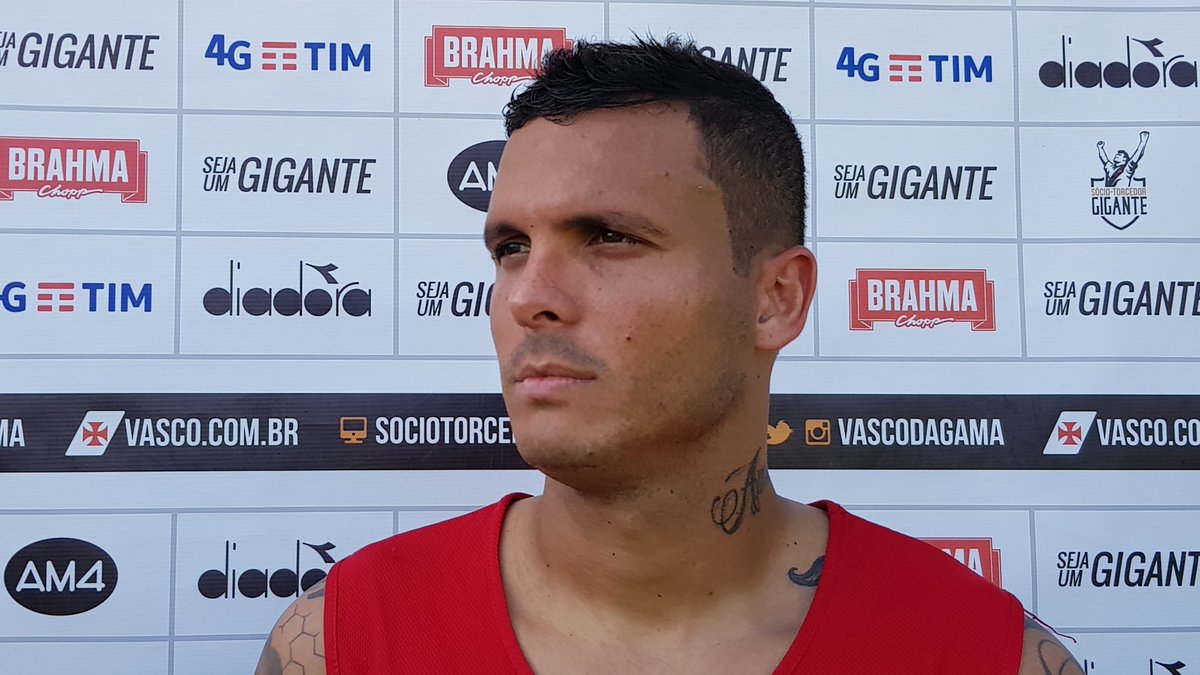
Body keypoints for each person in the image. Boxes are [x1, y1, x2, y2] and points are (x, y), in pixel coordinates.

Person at [255, 37, 1082, 674]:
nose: (527, 295)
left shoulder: (981, 652)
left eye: (609, 237)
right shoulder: (343, 641)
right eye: (511, 246)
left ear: (776, 298)